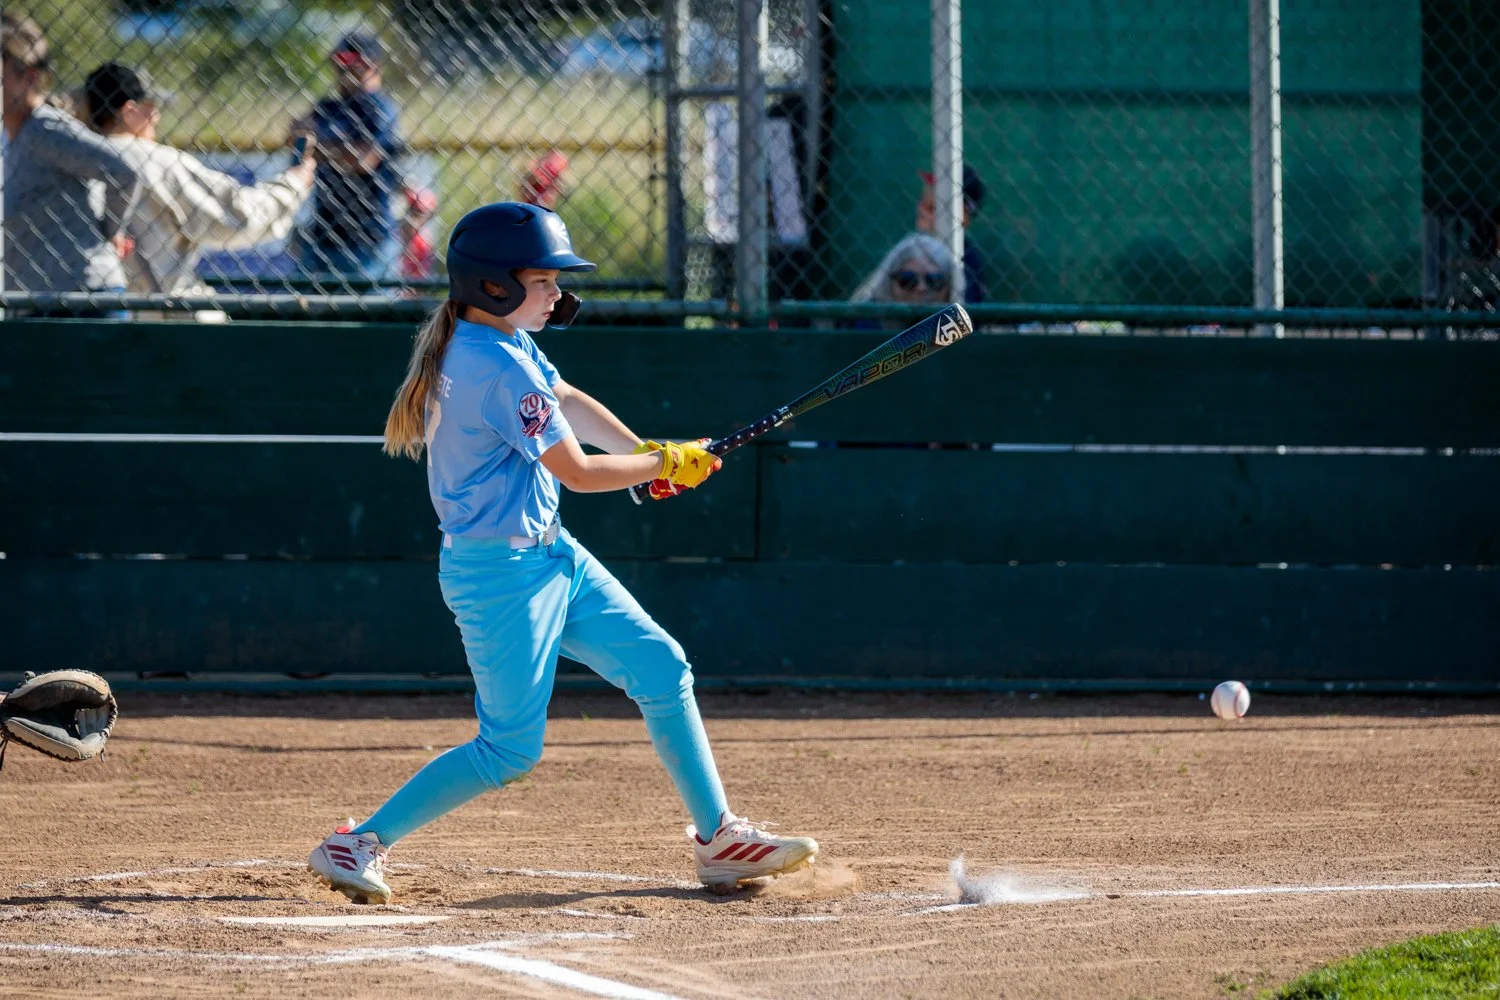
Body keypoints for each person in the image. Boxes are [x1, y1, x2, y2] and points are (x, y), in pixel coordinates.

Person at [306, 201, 819, 903]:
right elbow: (575, 470)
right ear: (494, 285)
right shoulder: (494, 365)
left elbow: (567, 399)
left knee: (661, 666)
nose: (558, 294)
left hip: (551, 557)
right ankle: (357, 842)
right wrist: (658, 465)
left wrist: (648, 455)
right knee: (510, 749)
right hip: (502, 575)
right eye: (544, 281)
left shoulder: (498, 342)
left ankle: (720, 840)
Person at [83, 61, 314, 319]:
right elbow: (239, 216)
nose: (157, 117)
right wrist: (293, 184)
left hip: (92, 312)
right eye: (151, 108)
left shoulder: (72, 157)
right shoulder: (155, 160)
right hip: (165, 317)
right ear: (128, 111)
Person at [1, 12, 139, 309]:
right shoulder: (14, 136)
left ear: (30, 77)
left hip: (83, 301)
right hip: (40, 302)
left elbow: (123, 171)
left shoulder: (46, 130)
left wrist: (110, 232)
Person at [292, 30, 410, 283]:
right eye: (339, 62)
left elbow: (363, 160)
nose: (342, 70)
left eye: (352, 63)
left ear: (372, 64)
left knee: (370, 315)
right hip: (324, 231)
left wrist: (319, 148)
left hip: (369, 237)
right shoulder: (328, 106)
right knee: (308, 313)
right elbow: (296, 140)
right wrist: (339, 151)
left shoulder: (379, 108)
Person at [849, 232, 957, 329]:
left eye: (934, 280)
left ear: (948, 285)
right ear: (890, 282)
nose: (921, 288)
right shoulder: (868, 320)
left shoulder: (960, 324)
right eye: (908, 279)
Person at [915, 164, 988, 304]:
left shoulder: (966, 260)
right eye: (922, 203)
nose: (920, 211)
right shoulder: (914, 247)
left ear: (962, 216)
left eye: (931, 208)